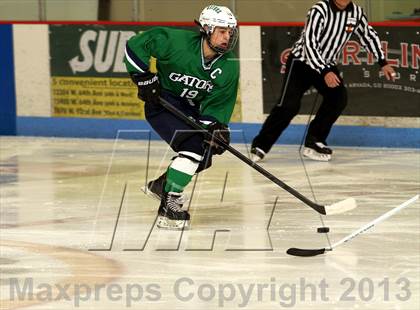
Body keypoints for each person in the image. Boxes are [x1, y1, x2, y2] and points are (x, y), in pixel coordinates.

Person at [124, 5, 239, 229]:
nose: (228, 37)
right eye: (222, 31)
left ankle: (161, 186)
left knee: (205, 153)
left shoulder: (229, 66)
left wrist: (215, 126)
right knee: (194, 147)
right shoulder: (176, 42)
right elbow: (135, 46)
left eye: (230, 32)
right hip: (163, 104)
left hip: (192, 110)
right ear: (206, 29)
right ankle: (169, 208)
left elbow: (218, 103)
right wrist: (143, 77)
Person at [251, 0, 396, 162]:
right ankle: (260, 145)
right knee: (288, 106)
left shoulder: (356, 13)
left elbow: (368, 36)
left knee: (338, 98)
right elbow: (309, 43)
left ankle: (314, 141)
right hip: (302, 62)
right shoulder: (319, 10)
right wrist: (324, 70)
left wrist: (383, 62)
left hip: (326, 64)